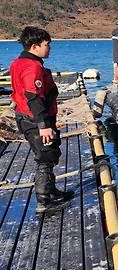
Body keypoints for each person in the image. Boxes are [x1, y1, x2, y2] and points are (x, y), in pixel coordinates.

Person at [10, 27, 74, 213]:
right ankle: (44, 201)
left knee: (50, 154)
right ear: (34, 46)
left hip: (27, 116)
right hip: (34, 119)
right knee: (45, 158)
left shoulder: (18, 63)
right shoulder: (32, 67)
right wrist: (43, 126)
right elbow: (33, 97)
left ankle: (51, 191)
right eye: (47, 45)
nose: (50, 48)